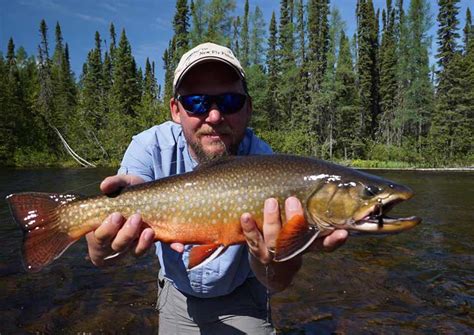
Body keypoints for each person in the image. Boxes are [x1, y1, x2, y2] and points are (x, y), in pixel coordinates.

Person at [86, 42, 348, 334]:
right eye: (196, 102)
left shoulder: (269, 167)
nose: (213, 116)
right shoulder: (148, 148)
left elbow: (276, 281)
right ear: (176, 110)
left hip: (244, 296)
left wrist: (281, 257)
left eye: (229, 102)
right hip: (177, 296)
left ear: (248, 108)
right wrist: (102, 245)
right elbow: (100, 258)